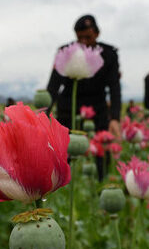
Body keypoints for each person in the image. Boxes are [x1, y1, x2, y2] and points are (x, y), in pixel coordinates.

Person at [46, 14, 122, 180]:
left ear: (97, 33)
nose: (84, 42)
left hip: (97, 109)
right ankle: (62, 184)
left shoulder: (109, 54)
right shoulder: (66, 51)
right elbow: (53, 87)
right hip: (69, 108)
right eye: (80, 38)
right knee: (62, 155)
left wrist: (115, 118)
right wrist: (44, 116)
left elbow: (115, 87)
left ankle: (101, 185)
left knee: (101, 155)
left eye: (88, 37)